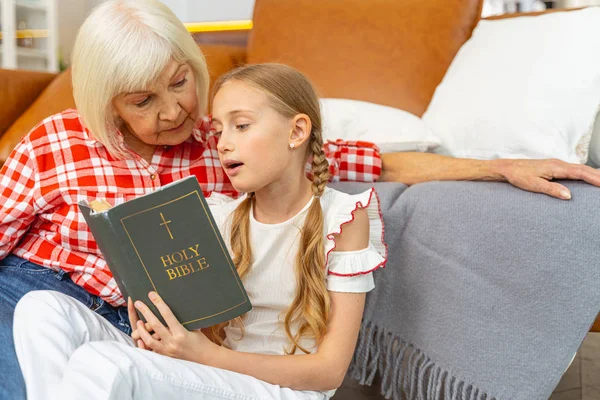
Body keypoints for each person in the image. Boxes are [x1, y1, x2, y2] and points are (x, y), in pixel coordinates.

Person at [1, 0, 599, 398]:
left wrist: (498, 165)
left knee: (93, 374)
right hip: (31, 289)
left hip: (148, 325)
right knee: (38, 322)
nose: (174, 110)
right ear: (108, 104)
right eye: (142, 101)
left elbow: (375, 160)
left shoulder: (230, 143)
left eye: (181, 81)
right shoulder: (54, 142)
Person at [14, 62, 388, 400]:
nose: (223, 143)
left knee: (105, 362)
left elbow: (328, 372)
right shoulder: (219, 215)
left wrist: (206, 356)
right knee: (43, 308)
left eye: (241, 126)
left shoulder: (343, 218)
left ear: (297, 131)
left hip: (279, 389)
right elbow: (202, 334)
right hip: (208, 372)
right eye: (220, 129)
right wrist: (161, 339)